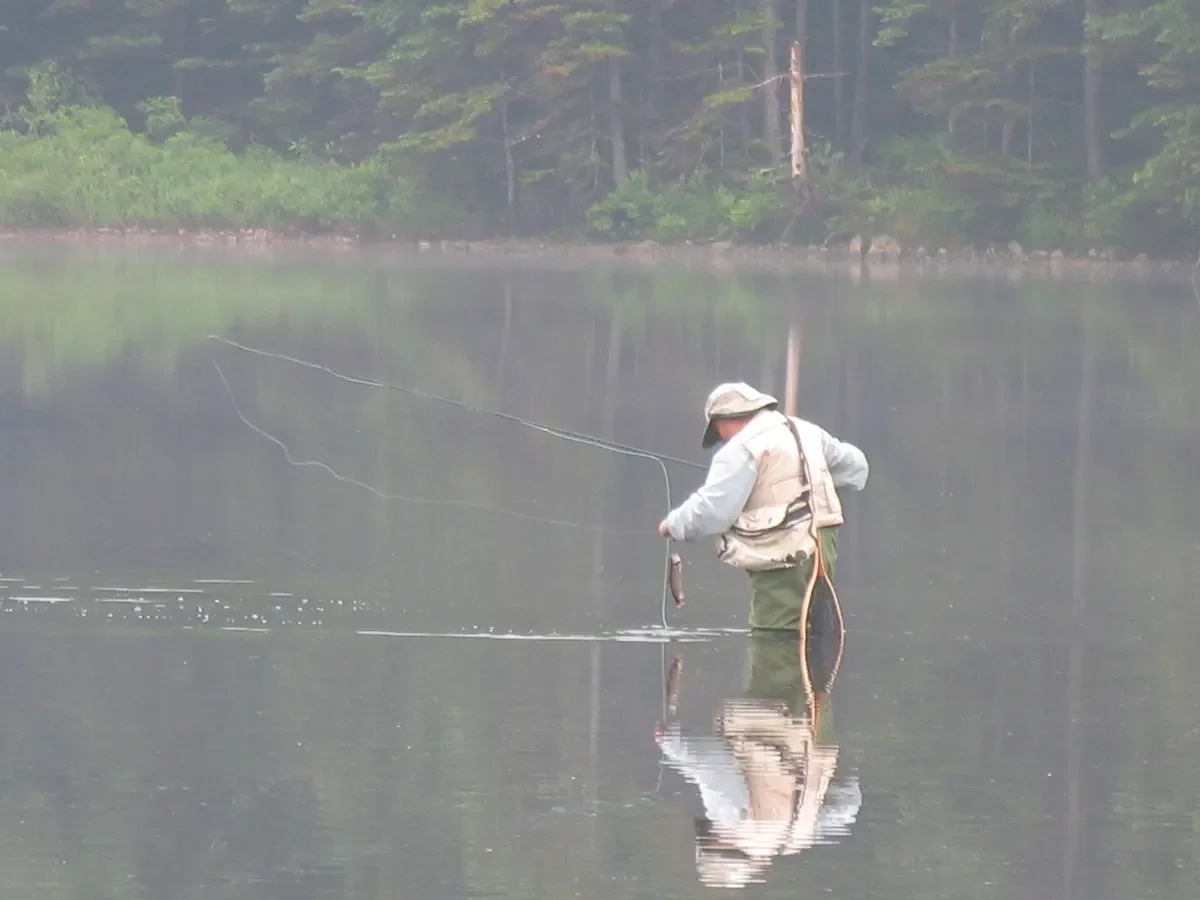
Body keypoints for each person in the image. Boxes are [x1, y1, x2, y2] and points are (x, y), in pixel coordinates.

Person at [657, 382, 869, 633]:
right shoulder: (808, 432)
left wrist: (673, 524)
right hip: (824, 547)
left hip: (785, 554)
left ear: (723, 420)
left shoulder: (739, 449)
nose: (722, 440)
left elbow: (713, 511)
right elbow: (857, 469)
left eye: (718, 433)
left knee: (775, 638)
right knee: (812, 632)